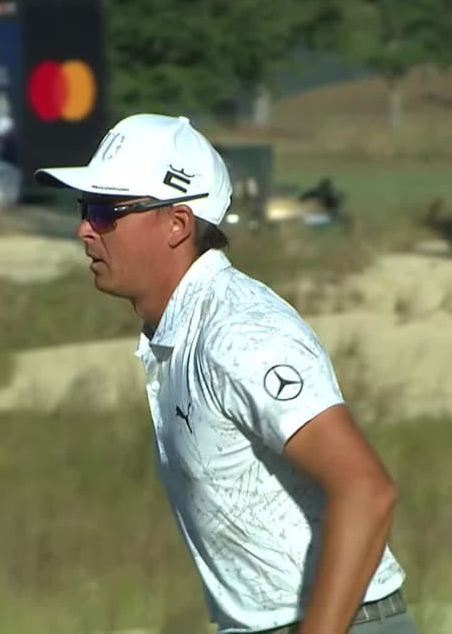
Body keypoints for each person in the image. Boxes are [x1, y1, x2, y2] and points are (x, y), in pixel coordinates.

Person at [34, 113, 415, 634]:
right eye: (85, 208)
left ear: (177, 224)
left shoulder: (239, 332)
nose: (84, 228)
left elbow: (367, 490)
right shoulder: (179, 328)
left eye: (105, 211)